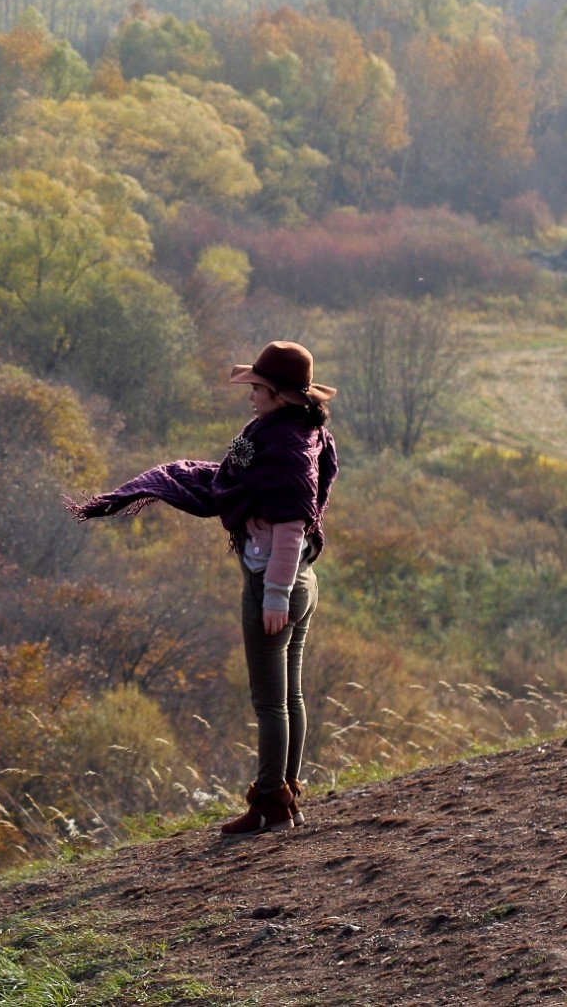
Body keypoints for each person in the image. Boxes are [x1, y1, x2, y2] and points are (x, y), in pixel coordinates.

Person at [66, 341, 338, 835]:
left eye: (256, 388)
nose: (250, 395)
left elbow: (294, 520)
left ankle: (271, 804)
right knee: (290, 697)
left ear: (278, 394)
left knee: (270, 702)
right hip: (303, 581)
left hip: (274, 585)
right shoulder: (302, 432)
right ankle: (288, 793)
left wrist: (274, 593)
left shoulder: (285, 447)